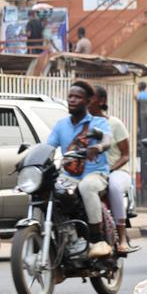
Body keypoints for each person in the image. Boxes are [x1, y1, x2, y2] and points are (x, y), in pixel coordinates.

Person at [46, 81, 112, 258]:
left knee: (86, 187)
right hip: (69, 175)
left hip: (95, 174)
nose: (72, 100)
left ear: (89, 101)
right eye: (70, 96)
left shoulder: (98, 122)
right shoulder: (61, 125)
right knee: (50, 188)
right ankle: (66, 235)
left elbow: (106, 141)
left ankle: (97, 240)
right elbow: (48, 147)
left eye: (78, 97)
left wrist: (97, 147)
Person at [89, 85, 131, 254]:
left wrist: (110, 170)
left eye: (90, 97)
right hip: (92, 172)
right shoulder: (83, 124)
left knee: (113, 186)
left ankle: (121, 237)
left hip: (117, 172)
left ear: (102, 101)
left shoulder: (114, 124)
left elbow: (125, 155)